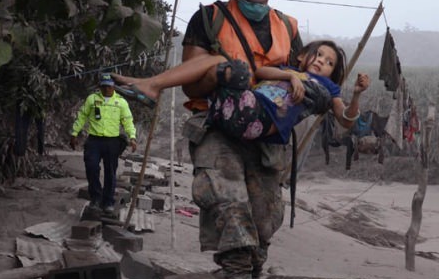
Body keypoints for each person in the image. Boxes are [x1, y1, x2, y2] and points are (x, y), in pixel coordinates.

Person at [182, 0, 368, 279]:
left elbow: (305, 79)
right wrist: (222, 74)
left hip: (267, 139)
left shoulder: (288, 28)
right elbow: (190, 75)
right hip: (217, 126)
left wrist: (327, 94)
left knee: (265, 222)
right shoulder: (209, 17)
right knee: (230, 209)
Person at [113, 39, 370, 144]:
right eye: (319, 54)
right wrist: (290, 75)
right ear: (303, 55)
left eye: (329, 63)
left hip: (257, 120)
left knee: (229, 67)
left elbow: (346, 120)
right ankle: (151, 85)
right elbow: (262, 74)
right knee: (219, 64)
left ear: (332, 73)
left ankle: (152, 86)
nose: (322, 61)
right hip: (238, 108)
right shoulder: (289, 71)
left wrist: (356, 94)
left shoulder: (327, 87)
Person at [70, 73, 137, 215]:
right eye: (104, 86)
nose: (107, 89)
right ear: (100, 86)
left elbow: (127, 120)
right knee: (91, 168)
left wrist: (132, 137)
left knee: (110, 172)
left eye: (109, 86)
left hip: (112, 142)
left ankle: (108, 202)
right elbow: (82, 116)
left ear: (114, 87)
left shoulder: (121, 102)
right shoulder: (92, 99)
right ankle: (95, 198)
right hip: (94, 141)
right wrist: (74, 133)